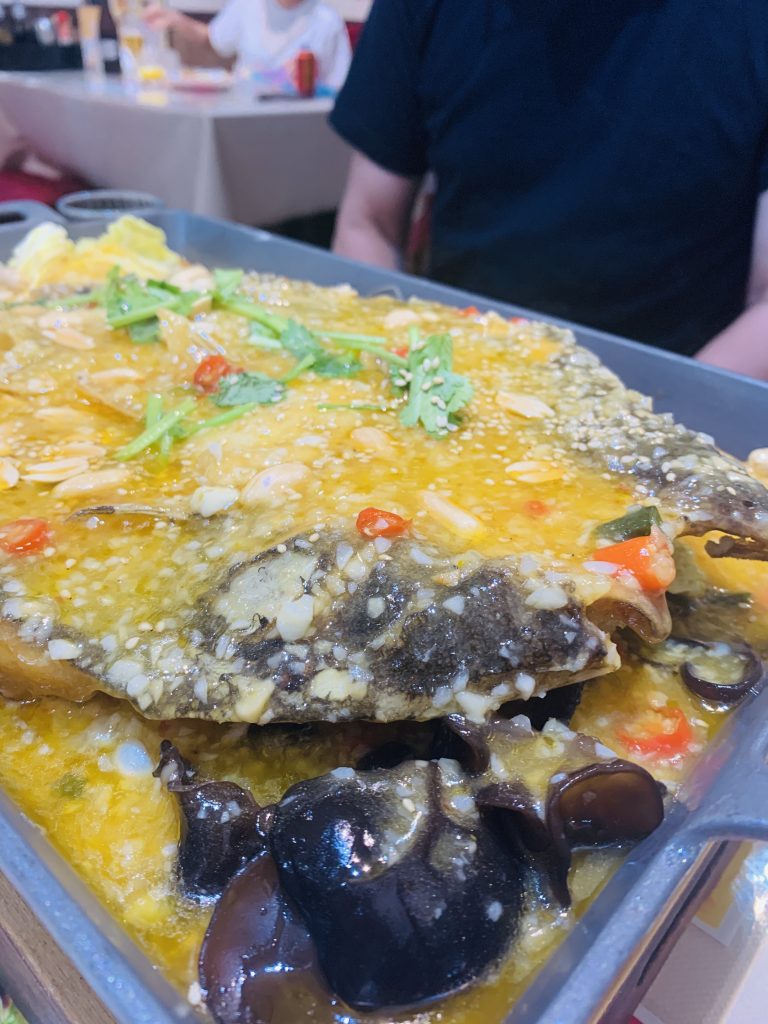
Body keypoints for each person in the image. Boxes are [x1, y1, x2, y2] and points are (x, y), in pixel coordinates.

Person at [330, 0, 768, 380]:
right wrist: (396, 374)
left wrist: (657, 427)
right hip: (452, 377)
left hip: (677, 394)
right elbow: (367, 224)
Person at [143, 0, 351, 92]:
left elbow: (339, 89)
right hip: (240, 114)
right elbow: (214, 39)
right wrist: (176, 20)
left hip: (296, 124)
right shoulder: (248, 4)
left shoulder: (327, 20)